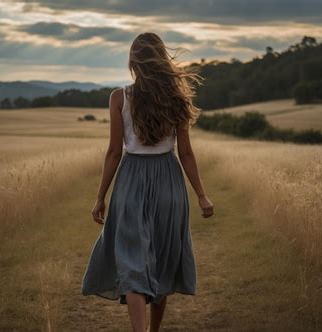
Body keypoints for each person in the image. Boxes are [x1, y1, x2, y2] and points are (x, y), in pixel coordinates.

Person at [81, 32, 214, 332]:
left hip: (131, 182)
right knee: (163, 262)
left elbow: (115, 151)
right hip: (169, 181)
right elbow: (187, 153)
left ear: (133, 62)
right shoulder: (177, 99)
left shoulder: (119, 98)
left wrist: (100, 196)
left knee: (131, 261)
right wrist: (202, 195)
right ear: (161, 60)